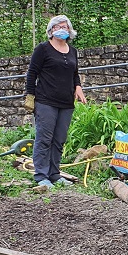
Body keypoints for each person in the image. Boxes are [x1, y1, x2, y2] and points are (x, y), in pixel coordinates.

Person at [24, 15, 87, 189]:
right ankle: (41, 175)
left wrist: (78, 87)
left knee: (59, 140)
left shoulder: (72, 51)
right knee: (45, 139)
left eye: (65, 26)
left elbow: (74, 74)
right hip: (46, 101)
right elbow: (32, 73)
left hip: (66, 102)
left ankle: (54, 174)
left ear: (70, 30)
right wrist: (30, 96)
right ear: (51, 30)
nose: (62, 29)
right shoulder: (43, 49)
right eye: (58, 26)